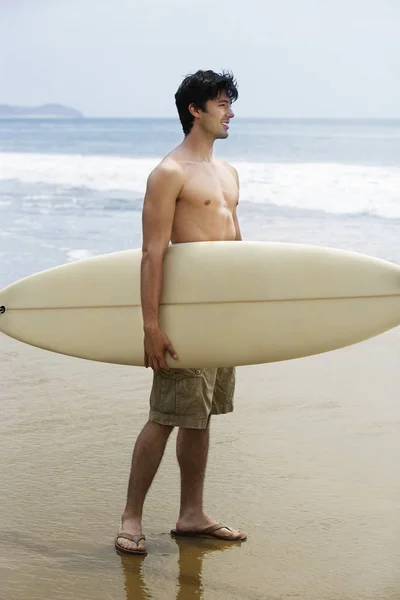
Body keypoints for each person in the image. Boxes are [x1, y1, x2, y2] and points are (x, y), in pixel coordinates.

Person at [115, 70, 247, 555]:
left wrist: (245, 315)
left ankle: (192, 513)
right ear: (196, 110)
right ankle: (131, 517)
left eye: (230, 103)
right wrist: (151, 326)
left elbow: (236, 247)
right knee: (166, 414)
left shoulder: (228, 173)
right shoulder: (169, 173)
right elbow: (153, 253)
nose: (230, 112)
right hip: (183, 316)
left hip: (217, 317)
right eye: (222, 103)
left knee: (201, 415)